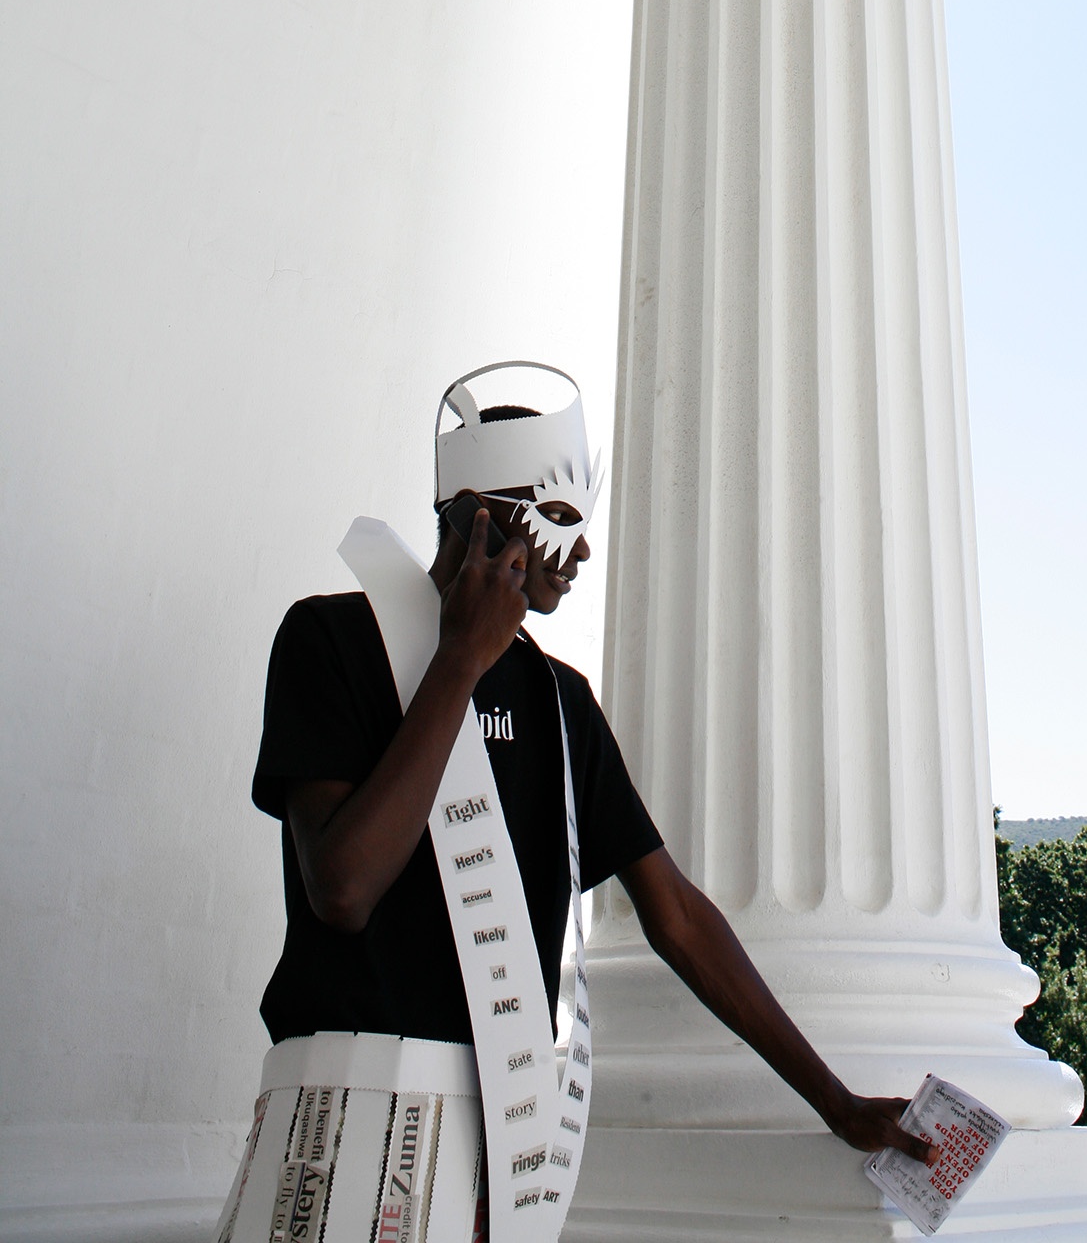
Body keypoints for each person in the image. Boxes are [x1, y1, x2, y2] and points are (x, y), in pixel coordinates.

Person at [215, 365, 933, 1241]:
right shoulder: (332, 639)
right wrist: (459, 660)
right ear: (479, 513)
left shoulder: (561, 702)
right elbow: (343, 887)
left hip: (502, 1140)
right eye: (560, 516)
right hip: (340, 1123)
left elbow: (676, 914)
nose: (583, 551)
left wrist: (834, 1100)